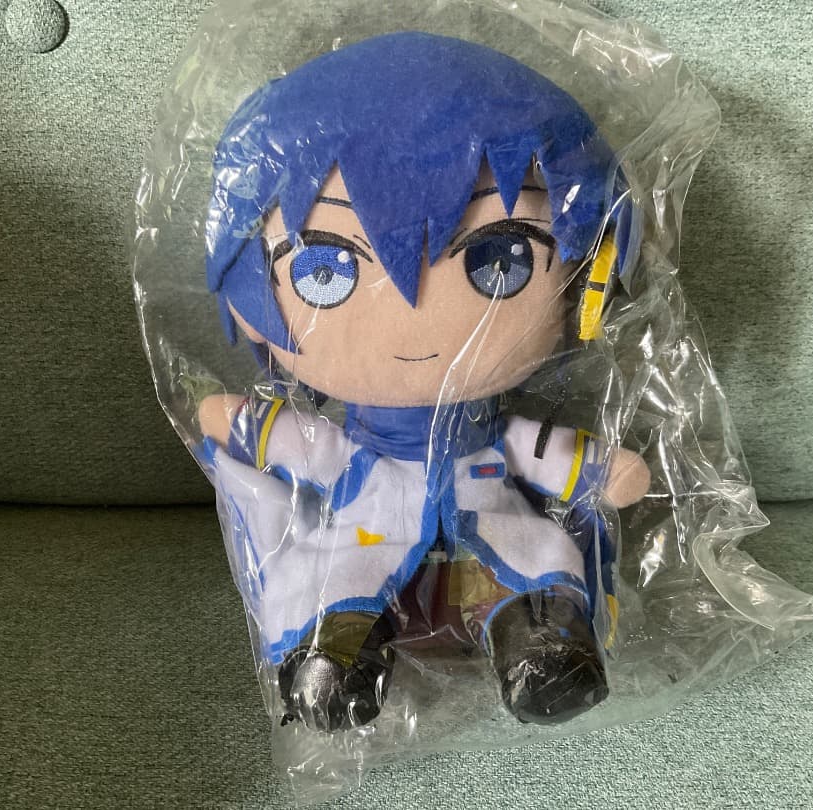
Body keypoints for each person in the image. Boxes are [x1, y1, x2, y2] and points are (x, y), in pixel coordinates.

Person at [195, 32, 649, 732]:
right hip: (367, 536)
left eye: (501, 261)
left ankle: (541, 651)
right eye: (325, 272)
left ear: (585, 286)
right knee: (327, 578)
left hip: (492, 529)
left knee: (541, 560)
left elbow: (550, 455)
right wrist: (239, 423)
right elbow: (304, 444)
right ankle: (336, 661)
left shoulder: (500, 438)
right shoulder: (352, 450)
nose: (413, 321)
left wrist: (602, 472)